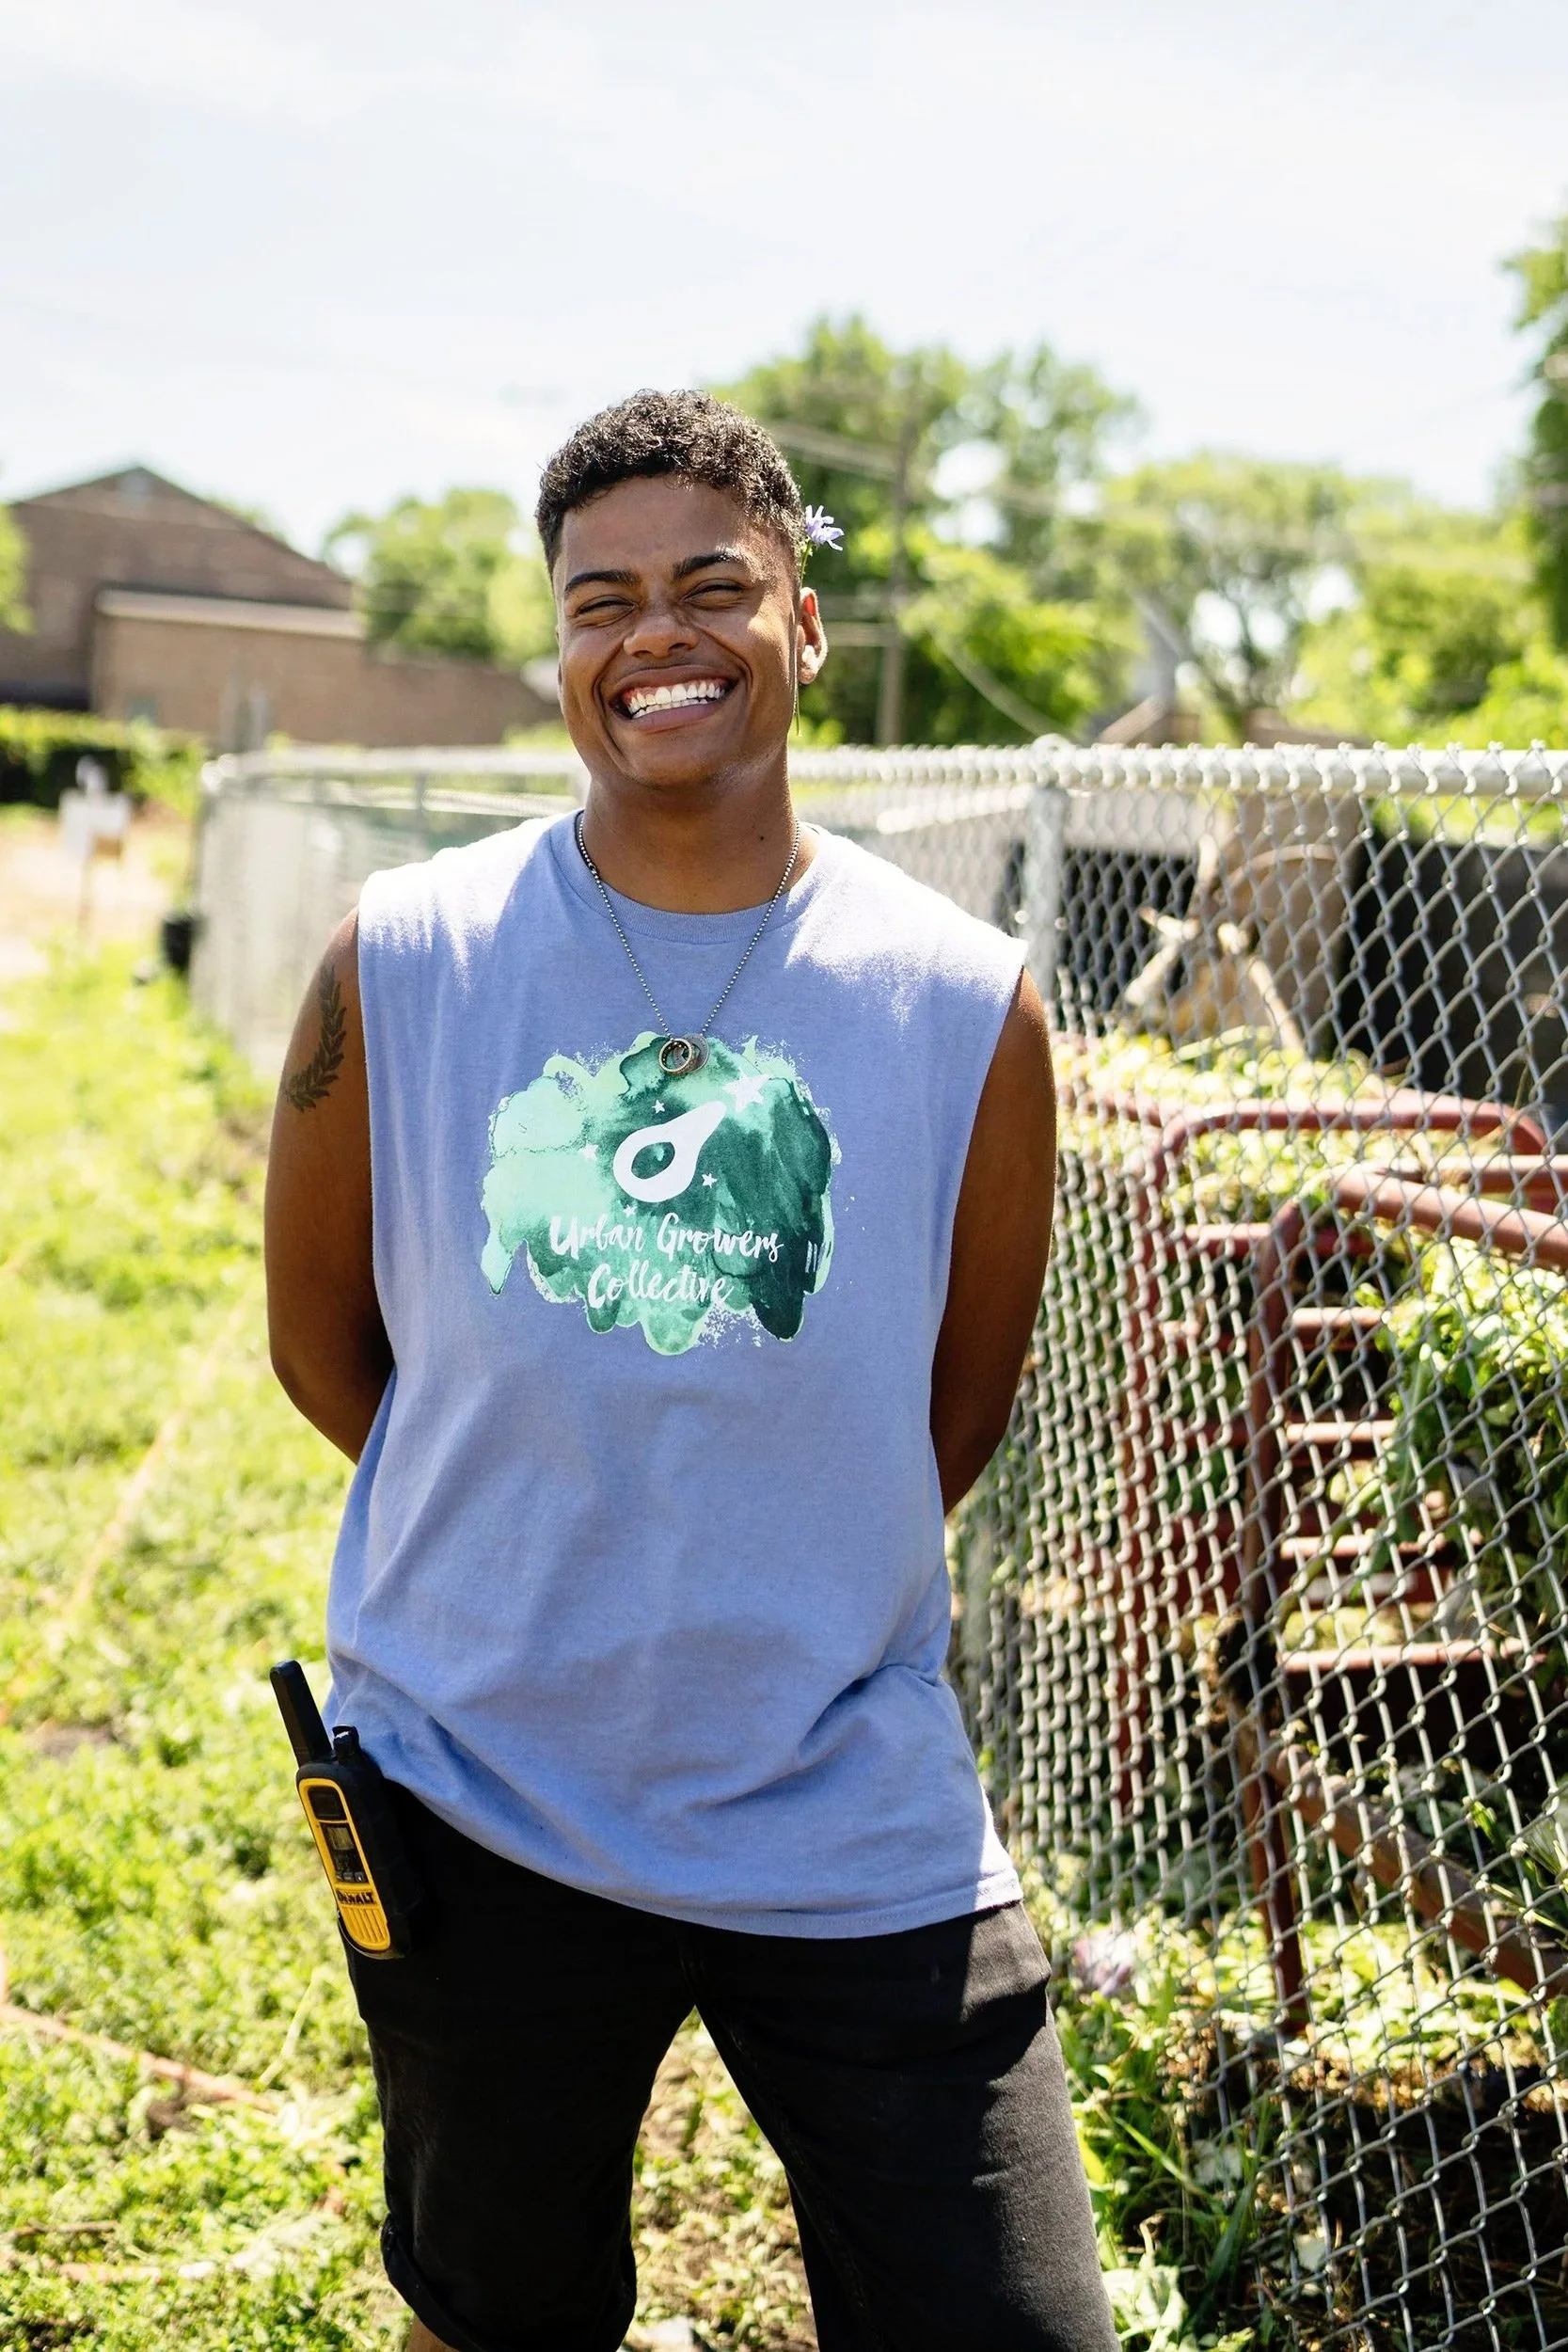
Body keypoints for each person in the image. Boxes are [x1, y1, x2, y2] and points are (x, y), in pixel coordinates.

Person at [264, 389, 1115, 2352]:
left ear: (801, 621)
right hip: (482, 1779)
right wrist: (539, 1512)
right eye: (602, 601)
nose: (657, 635)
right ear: (559, 647)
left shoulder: (961, 1004)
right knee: (499, 2307)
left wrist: (766, 1549)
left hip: (843, 1788)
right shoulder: (400, 961)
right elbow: (326, 1351)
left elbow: (949, 1412)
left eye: (712, 587)